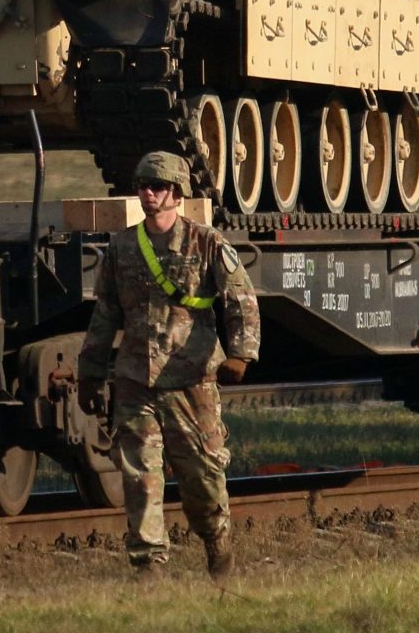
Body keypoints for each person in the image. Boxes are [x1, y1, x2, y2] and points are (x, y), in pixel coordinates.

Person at [78, 150, 260, 576]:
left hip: (191, 380)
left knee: (202, 479)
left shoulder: (207, 242)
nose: (148, 193)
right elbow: (105, 314)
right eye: (143, 185)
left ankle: (218, 547)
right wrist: (90, 372)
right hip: (136, 381)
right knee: (140, 476)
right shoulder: (122, 246)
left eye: (157, 186)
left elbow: (242, 301)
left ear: (177, 194)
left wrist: (240, 354)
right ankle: (149, 568)